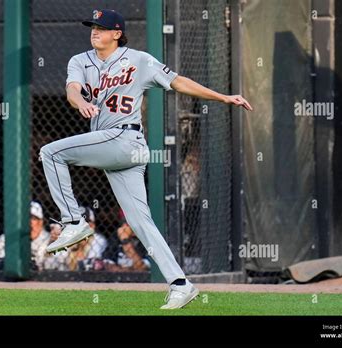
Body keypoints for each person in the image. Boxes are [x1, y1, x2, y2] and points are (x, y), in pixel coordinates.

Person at [39, 9, 252, 309]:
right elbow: (72, 90)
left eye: (101, 28)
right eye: (92, 27)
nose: (94, 32)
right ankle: (181, 283)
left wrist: (224, 97)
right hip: (115, 147)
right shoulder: (80, 60)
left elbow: (179, 82)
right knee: (141, 223)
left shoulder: (139, 60)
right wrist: (81, 102)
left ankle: (73, 220)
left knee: (50, 152)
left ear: (116, 33)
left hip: (125, 138)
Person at [0, 201, 50, 270]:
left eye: (33, 218)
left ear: (40, 222)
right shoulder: (7, 238)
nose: (29, 222)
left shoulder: (49, 240)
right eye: (25, 218)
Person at [44, 206, 108, 271]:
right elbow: (49, 264)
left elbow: (92, 266)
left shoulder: (99, 240)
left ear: (92, 226)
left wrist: (69, 260)